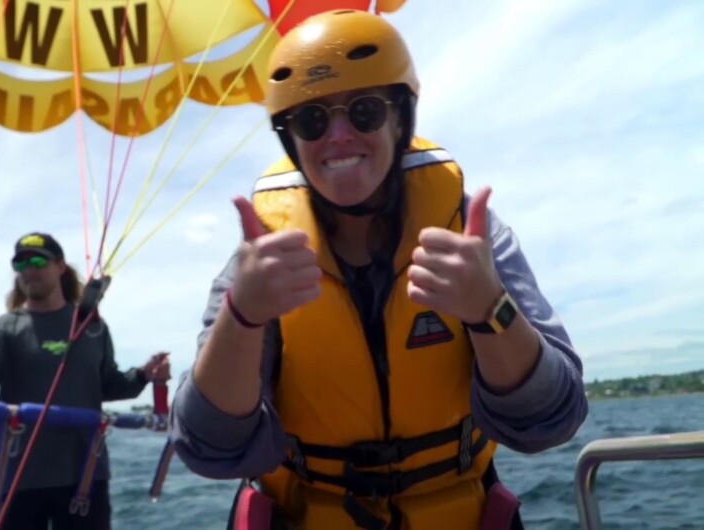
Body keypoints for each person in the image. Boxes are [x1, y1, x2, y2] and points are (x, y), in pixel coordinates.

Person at [168, 10, 588, 530]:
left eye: (364, 112)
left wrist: (489, 310)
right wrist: (243, 316)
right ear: (291, 139)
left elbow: (552, 420)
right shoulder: (261, 262)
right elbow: (210, 446)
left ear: (399, 119)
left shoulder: (471, 240)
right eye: (312, 121)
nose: (339, 136)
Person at [0, 231, 171, 530]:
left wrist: (144, 374)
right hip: (16, 480)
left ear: (60, 266)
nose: (29, 271)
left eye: (37, 261)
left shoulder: (93, 328)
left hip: (85, 477)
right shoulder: (1, 330)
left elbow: (108, 385)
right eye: (20, 265)